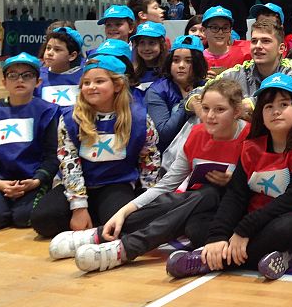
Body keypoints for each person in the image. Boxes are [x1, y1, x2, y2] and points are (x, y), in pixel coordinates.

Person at [53, 80, 249, 272]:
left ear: (237, 112)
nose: (210, 116)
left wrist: (235, 182)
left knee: (208, 197)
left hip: (235, 211)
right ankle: (101, 234)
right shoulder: (196, 134)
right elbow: (166, 184)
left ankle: (125, 248)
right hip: (197, 207)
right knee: (191, 214)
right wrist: (123, 212)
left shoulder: (250, 138)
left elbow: (259, 189)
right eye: (205, 108)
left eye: (220, 110)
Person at [165, 73, 292, 280]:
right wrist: (218, 236)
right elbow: (236, 195)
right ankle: (272, 255)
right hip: (254, 219)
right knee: (197, 223)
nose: (276, 111)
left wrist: (243, 231)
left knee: (287, 226)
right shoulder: (251, 147)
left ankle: (207, 260)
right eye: (268, 106)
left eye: (284, 105)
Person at [30, 55, 160, 238]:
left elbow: (150, 159)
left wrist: (147, 197)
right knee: (43, 219)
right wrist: (78, 207)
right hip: (81, 183)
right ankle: (92, 217)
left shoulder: (138, 118)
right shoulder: (71, 118)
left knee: (124, 224)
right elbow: (69, 163)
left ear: (117, 85)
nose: (91, 87)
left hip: (116, 183)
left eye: (99, 81)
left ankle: (98, 219)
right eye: (86, 83)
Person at [0, 53, 59, 230]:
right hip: (2, 182)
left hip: (33, 181)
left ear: (38, 82)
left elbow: (52, 154)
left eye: (27, 75)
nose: (20, 80)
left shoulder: (47, 112)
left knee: (23, 219)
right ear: (4, 82)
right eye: (12, 75)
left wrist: (37, 180)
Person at [185, 21, 292, 119]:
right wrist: (200, 109)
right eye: (254, 41)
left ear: (281, 48)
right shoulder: (240, 71)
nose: (258, 46)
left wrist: (245, 106)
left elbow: (279, 101)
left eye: (266, 41)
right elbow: (196, 93)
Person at [145, 35, 208, 152]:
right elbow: (163, 134)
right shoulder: (157, 91)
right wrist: (187, 103)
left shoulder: (206, 87)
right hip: (168, 155)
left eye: (188, 61)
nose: (181, 65)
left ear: (198, 63)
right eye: (176, 60)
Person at [37, 27, 84, 107]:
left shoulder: (84, 77)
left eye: (57, 50)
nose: (49, 53)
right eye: (48, 48)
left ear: (72, 56)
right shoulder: (37, 76)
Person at [201, 6, 251, 76]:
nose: (220, 32)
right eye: (214, 28)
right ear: (204, 30)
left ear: (230, 30)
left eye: (225, 28)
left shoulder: (244, 54)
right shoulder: (198, 59)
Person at [130, 22, 168, 94]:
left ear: (161, 45)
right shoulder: (133, 75)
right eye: (142, 43)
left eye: (152, 43)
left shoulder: (169, 73)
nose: (146, 48)